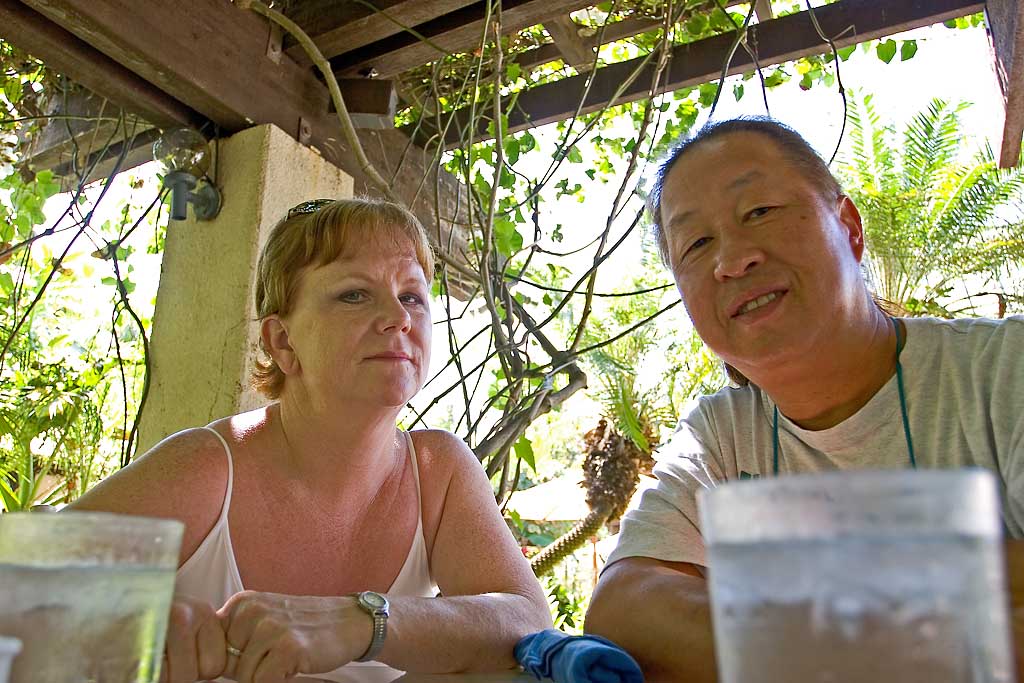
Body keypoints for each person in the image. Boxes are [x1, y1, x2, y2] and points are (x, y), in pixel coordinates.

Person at [583, 117, 1024, 681]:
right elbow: (625, 608)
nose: (732, 259)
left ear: (849, 227)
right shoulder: (720, 435)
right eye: (696, 243)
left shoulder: (1004, 371)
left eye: (760, 212)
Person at [71, 197, 551, 683]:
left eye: (411, 296)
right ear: (282, 341)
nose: (398, 318)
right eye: (354, 295)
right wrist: (129, 634)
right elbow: (19, 591)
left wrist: (363, 622)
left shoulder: (437, 469)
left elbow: (527, 624)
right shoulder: (208, 468)